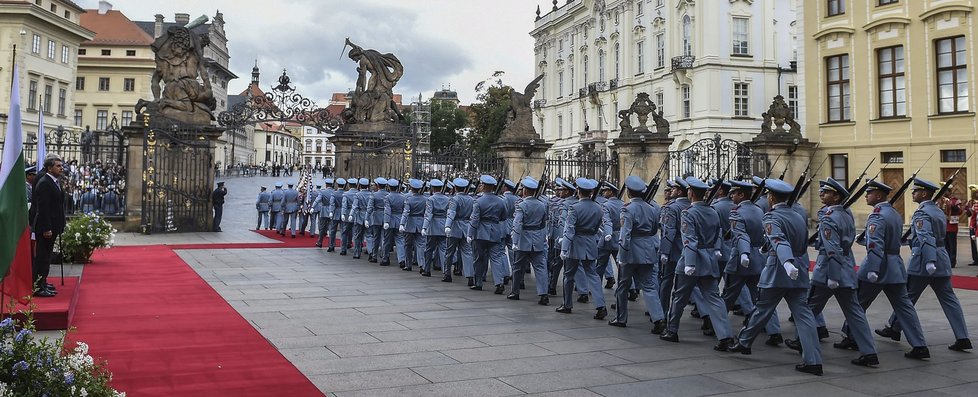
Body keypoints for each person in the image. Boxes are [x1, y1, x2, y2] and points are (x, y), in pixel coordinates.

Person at [729, 178, 823, 377]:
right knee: (804, 316)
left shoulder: (771, 217)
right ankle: (813, 360)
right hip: (799, 270)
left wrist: (787, 262)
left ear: (771, 197)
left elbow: (779, 241)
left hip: (779, 270)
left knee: (762, 308)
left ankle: (744, 342)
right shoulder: (799, 215)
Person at [794, 177, 879, 367]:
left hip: (829, 270)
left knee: (808, 311)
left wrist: (832, 276)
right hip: (847, 268)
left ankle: (802, 343)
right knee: (855, 312)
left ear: (836, 196)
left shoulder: (829, 216)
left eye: (826, 192)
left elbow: (832, 248)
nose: (821, 194)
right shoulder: (846, 214)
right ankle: (869, 351)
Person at [846, 180, 930, 359]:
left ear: (878, 195)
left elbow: (876, 245)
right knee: (904, 307)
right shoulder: (893, 213)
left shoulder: (877, 216)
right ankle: (919, 344)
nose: (866, 196)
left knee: (857, 304)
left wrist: (874, 268)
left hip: (878, 266)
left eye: (869, 193)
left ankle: (853, 337)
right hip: (895, 267)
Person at [889, 178, 972, 352]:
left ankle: (895, 328)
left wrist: (929, 260)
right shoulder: (938, 211)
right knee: (949, 299)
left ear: (924, 194)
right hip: (941, 258)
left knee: (906, 298)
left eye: (915, 191)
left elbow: (926, 237)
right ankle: (962, 336)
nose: (912, 193)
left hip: (924, 261)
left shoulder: (922, 213)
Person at [659, 177, 734, 350]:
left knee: (679, 297)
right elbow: (718, 233)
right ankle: (725, 336)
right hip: (709, 260)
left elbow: (689, 240)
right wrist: (715, 250)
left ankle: (672, 330)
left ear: (691, 193)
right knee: (714, 299)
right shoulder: (713, 211)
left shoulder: (688, 213)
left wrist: (690, 263)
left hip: (690, 260)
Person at [609, 175, 666, 333]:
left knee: (623, 286)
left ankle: (621, 318)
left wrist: (622, 254)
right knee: (649, 287)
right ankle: (658, 318)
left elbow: (625, 234)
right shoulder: (651, 208)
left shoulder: (627, 209)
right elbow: (655, 229)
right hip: (647, 249)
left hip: (630, 252)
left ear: (628, 191)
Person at [556, 178, 612, 318]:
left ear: (578, 191)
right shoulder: (598, 207)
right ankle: (601, 306)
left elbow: (569, 230)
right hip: (590, 243)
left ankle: (567, 304)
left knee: (568, 276)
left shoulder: (574, 208)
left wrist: (564, 249)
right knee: (593, 275)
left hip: (575, 244)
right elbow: (599, 226)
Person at [29, 156, 66, 298]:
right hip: (46, 227)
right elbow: (43, 208)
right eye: (58, 166)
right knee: (42, 257)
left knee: (47, 256)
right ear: (49, 168)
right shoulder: (45, 183)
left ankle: (43, 282)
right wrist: (46, 228)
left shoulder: (54, 181)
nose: (61, 168)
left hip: (54, 225)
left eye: (61, 165)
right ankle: (38, 286)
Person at [509, 176, 549, 304]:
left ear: (525, 191)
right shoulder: (542, 205)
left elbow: (517, 224)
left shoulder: (522, 205)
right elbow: (543, 223)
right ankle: (543, 294)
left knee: (517, 267)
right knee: (540, 267)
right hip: (537, 239)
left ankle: (515, 292)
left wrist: (514, 241)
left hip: (523, 239)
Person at [468, 175, 508, 291]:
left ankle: (478, 282)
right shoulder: (501, 201)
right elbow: (503, 217)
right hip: (495, 231)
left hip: (480, 232)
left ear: (484, 186)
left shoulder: (478, 201)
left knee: (479, 258)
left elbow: (475, 220)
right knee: (496, 258)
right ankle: (499, 283)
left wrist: (470, 234)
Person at [659, 178, 690, 314]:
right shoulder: (692, 206)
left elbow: (668, 231)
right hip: (689, 250)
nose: (671, 191)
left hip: (674, 249)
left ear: (679, 192)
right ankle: (705, 314)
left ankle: (662, 311)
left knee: (666, 281)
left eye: (674, 189)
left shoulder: (672, 207)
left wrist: (664, 251)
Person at [445, 178, 475, 284]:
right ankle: (470, 276)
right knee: (467, 253)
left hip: (455, 227)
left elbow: (451, 213)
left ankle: (447, 274)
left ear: (455, 188)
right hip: (466, 227)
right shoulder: (471, 199)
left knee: (449, 252)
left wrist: (447, 225)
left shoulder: (454, 199)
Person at [596, 183, 623, 290]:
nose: (603, 192)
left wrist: (608, 233)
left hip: (607, 239)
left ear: (611, 192)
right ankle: (631, 288)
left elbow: (607, 221)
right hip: (620, 237)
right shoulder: (623, 204)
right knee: (622, 266)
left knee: (600, 265)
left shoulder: (606, 205)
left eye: (605, 191)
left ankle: (595, 287)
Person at [421, 179, 449, 277]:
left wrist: (424, 227)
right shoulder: (447, 199)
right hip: (443, 225)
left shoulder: (430, 199)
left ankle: (426, 269)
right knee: (443, 250)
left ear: (432, 188)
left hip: (432, 226)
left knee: (428, 249)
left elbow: (428, 214)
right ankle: (445, 271)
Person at [400, 179, 426, 271]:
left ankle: (408, 264)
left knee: (408, 245)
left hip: (410, 223)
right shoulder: (425, 199)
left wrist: (402, 223)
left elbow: (406, 212)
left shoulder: (408, 198)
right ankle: (422, 264)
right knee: (421, 245)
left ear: (411, 188)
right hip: (421, 223)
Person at [381, 179, 404, 267]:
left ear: (389, 187)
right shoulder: (402, 197)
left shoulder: (387, 197)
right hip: (399, 219)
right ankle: (401, 259)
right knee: (400, 241)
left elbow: (387, 210)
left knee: (386, 241)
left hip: (390, 220)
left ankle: (385, 258)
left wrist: (386, 221)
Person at [365, 177, 388, 262]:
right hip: (386, 217)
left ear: (378, 185)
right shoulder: (388, 194)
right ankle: (384, 254)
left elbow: (370, 208)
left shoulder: (374, 195)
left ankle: (374, 256)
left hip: (376, 217)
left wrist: (367, 218)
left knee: (376, 237)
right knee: (384, 238)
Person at [938, 190, 963, 267]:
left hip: (952, 227)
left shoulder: (955, 201)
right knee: (945, 245)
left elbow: (959, 211)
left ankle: (952, 261)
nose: (945, 193)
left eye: (946, 191)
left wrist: (951, 205)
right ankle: (946, 260)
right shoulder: (941, 200)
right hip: (944, 226)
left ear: (950, 192)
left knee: (952, 246)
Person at [314, 179, 334, 247]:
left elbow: (317, 200)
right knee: (332, 228)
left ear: (326, 185)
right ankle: (331, 244)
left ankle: (320, 242)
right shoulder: (334, 192)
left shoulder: (323, 192)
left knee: (322, 227)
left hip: (324, 211)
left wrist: (312, 207)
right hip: (332, 211)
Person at [964, 186, 978, 266]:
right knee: (973, 244)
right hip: (972, 225)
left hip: (976, 225)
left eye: (975, 192)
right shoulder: (970, 202)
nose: (974, 194)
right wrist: (968, 208)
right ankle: (975, 259)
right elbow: (968, 214)